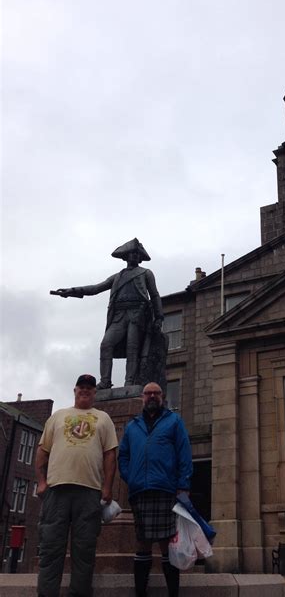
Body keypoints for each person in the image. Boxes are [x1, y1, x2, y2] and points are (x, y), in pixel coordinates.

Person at [35, 374, 118, 597]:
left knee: (84, 551)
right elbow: (43, 450)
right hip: (56, 489)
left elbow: (110, 455)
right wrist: (41, 481)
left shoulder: (104, 418)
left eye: (89, 388)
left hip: (89, 491)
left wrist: (107, 487)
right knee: (51, 548)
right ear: (75, 390)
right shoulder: (58, 416)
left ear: (94, 393)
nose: (85, 390)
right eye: (81, 387)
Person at [52, 238, 165, 389]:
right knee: (106, 345)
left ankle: (129, 383)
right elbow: (96, 288)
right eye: (132, 253)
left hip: (137, 314)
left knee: (133, 349)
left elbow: (155, 295)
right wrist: (72, 291)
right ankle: (105, 381)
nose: (135, 256)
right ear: (125, 256)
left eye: (137, 254)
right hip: (119, 315)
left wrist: (159, 317)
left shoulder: (146, 273)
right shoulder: (117, 277)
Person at [118, 382, 193, 597]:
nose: (152, 396)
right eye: (148, 393)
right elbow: (123, 456)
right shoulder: (133, 426)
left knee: (167, 544)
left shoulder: (174, 422)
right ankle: (140, 593)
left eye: (156, 393)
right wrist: (130, 477)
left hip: (165, 489)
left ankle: (173, 594)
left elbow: (184, 455)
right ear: (142, 397)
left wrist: (183, 485)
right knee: (142, 543)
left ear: (162, 397)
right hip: (140, 491)